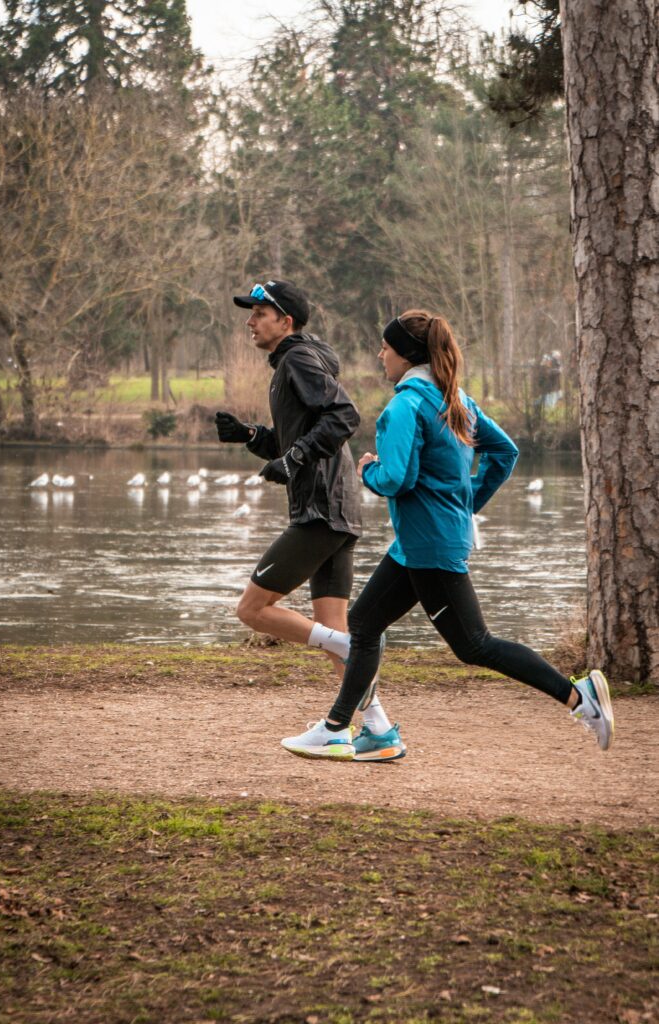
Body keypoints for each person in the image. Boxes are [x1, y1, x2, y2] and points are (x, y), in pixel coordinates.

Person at [281, 309, 615, 760]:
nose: (380, 354)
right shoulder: (454, 399)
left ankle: (579, 697)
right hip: (422, 541)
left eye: (386, 347)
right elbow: (504, 452)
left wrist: (368, 471)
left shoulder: (405, 406)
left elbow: (397, 478)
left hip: (429, 545)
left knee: (475, 645)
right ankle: (352, 731)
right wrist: (467, 501)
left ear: (405, 355)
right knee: (363, 624)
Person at [215, 280, 400, 759]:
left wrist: (293, 458)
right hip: (339, 510)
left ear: (286, 321)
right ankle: (378, 729)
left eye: (259, 313)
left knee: (252, 610)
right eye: (251, 313)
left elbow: (343, 417)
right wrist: (251, 436)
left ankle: (354, 650)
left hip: (320, 511)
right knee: (332, 633)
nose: (250, 321)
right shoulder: (295, 362)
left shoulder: (297, 359)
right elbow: (299, 437)